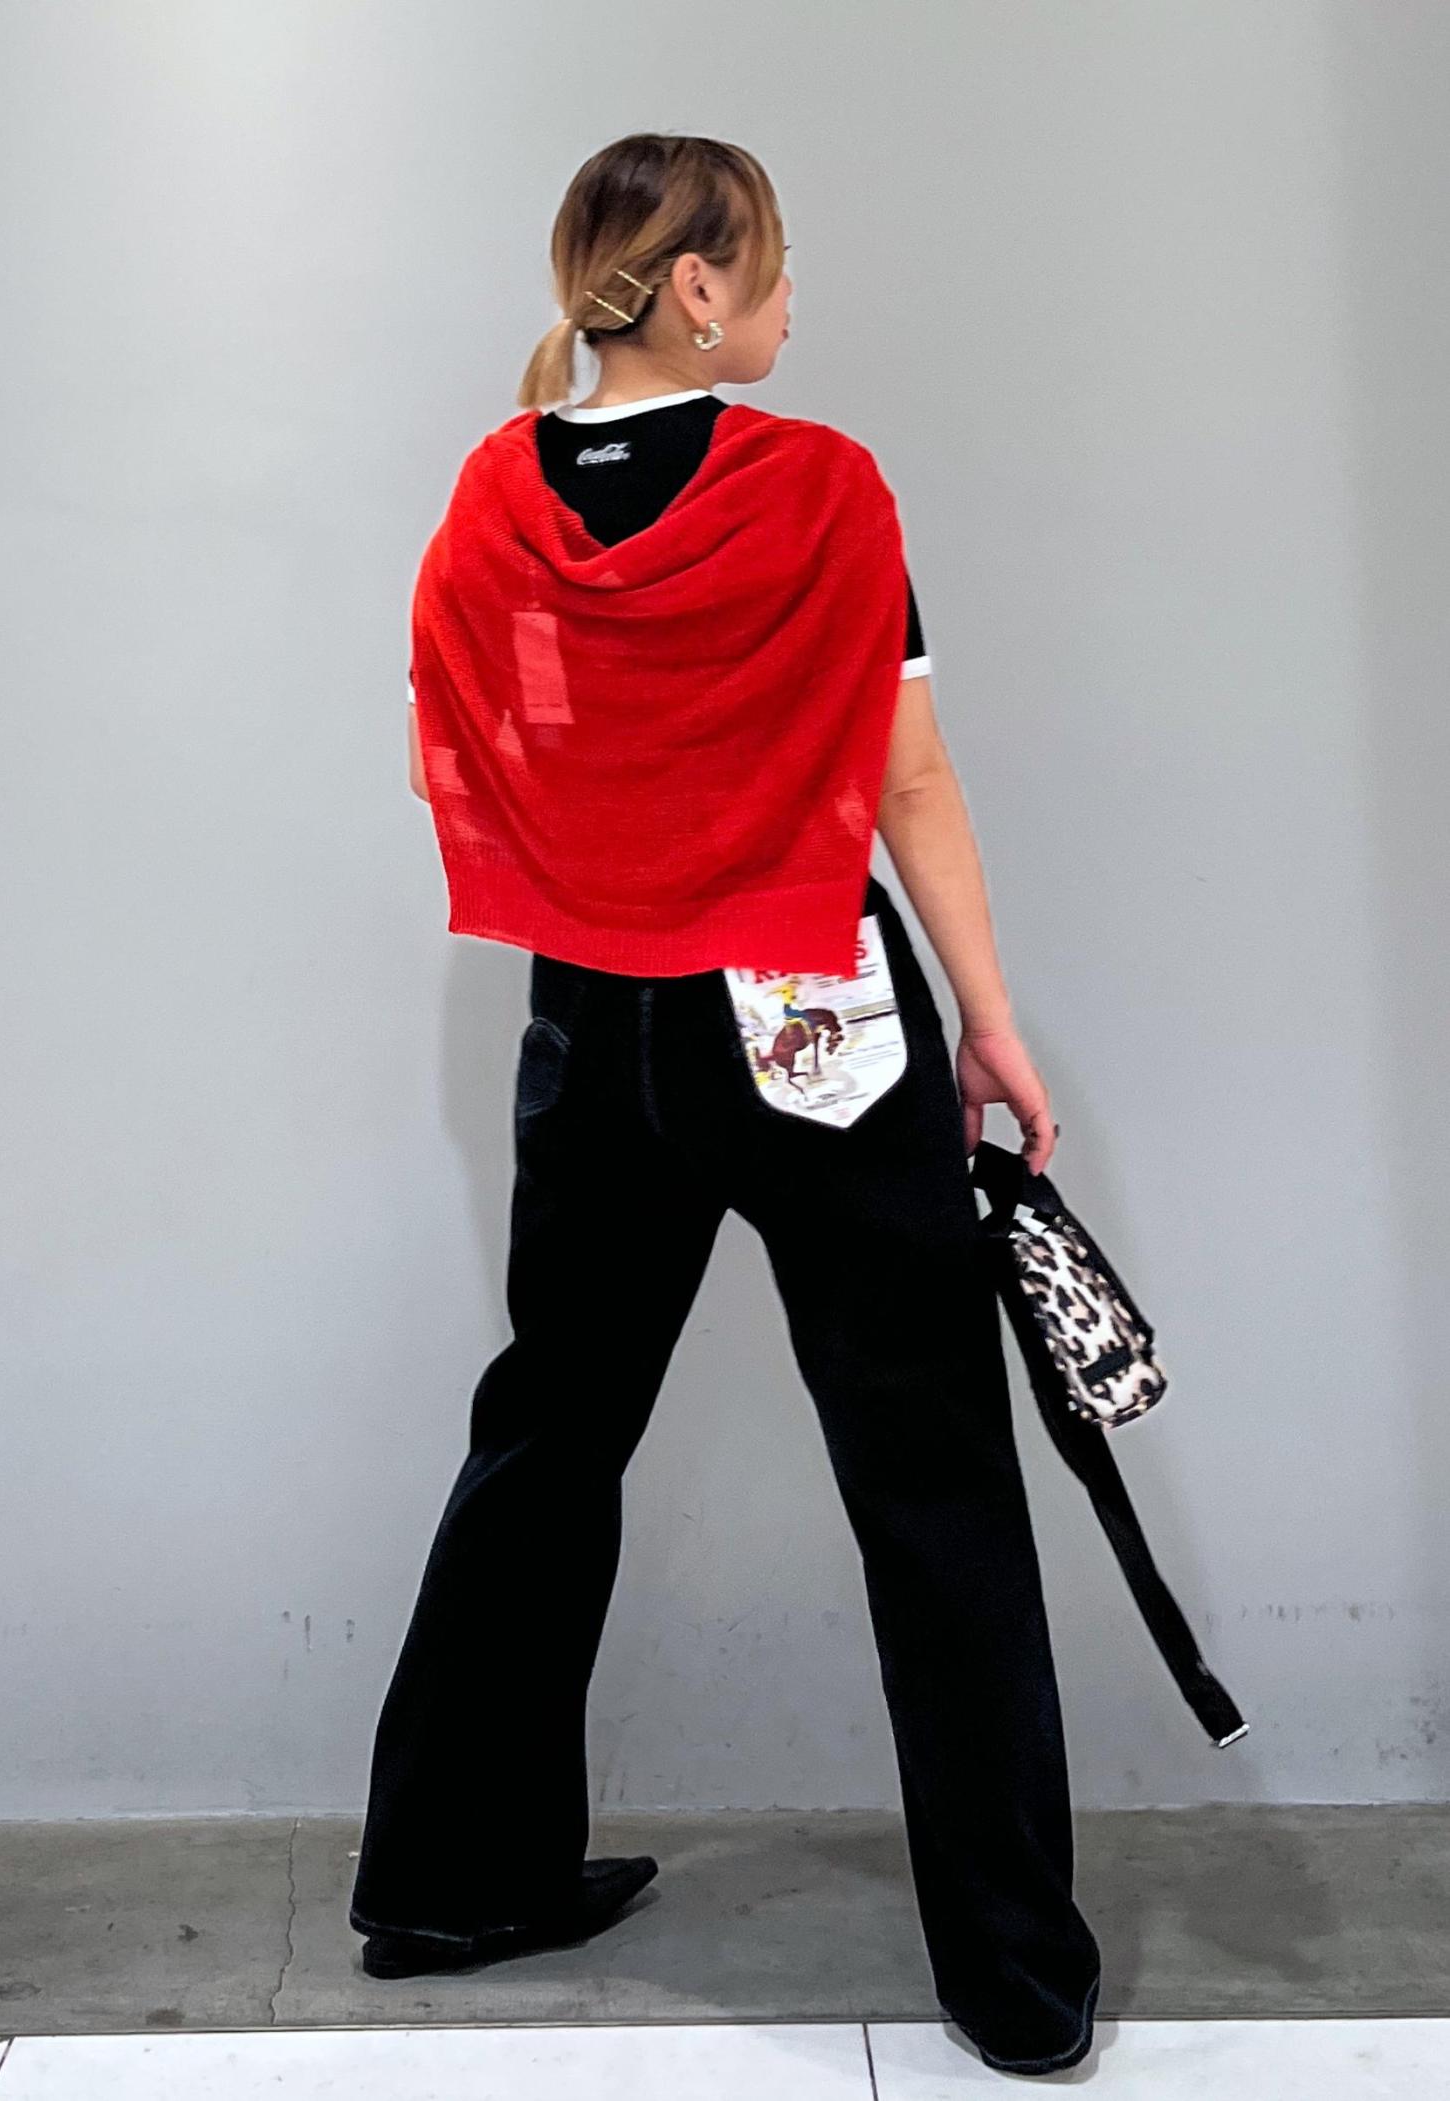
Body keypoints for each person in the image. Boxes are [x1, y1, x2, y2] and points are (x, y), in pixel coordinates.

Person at [349, 131, 1100, 2079]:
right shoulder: (821, 487)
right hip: (807, 1004)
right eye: (769, 266)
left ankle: (445, 1879)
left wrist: (611, 854)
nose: (787, 300)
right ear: (697, 285)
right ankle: (1016, 1976)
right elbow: (907, 779)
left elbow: (465, 752)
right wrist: (992, 1019)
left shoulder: (496, 496)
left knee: (550, 1425)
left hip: (591, 1013)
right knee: (930, 1469)